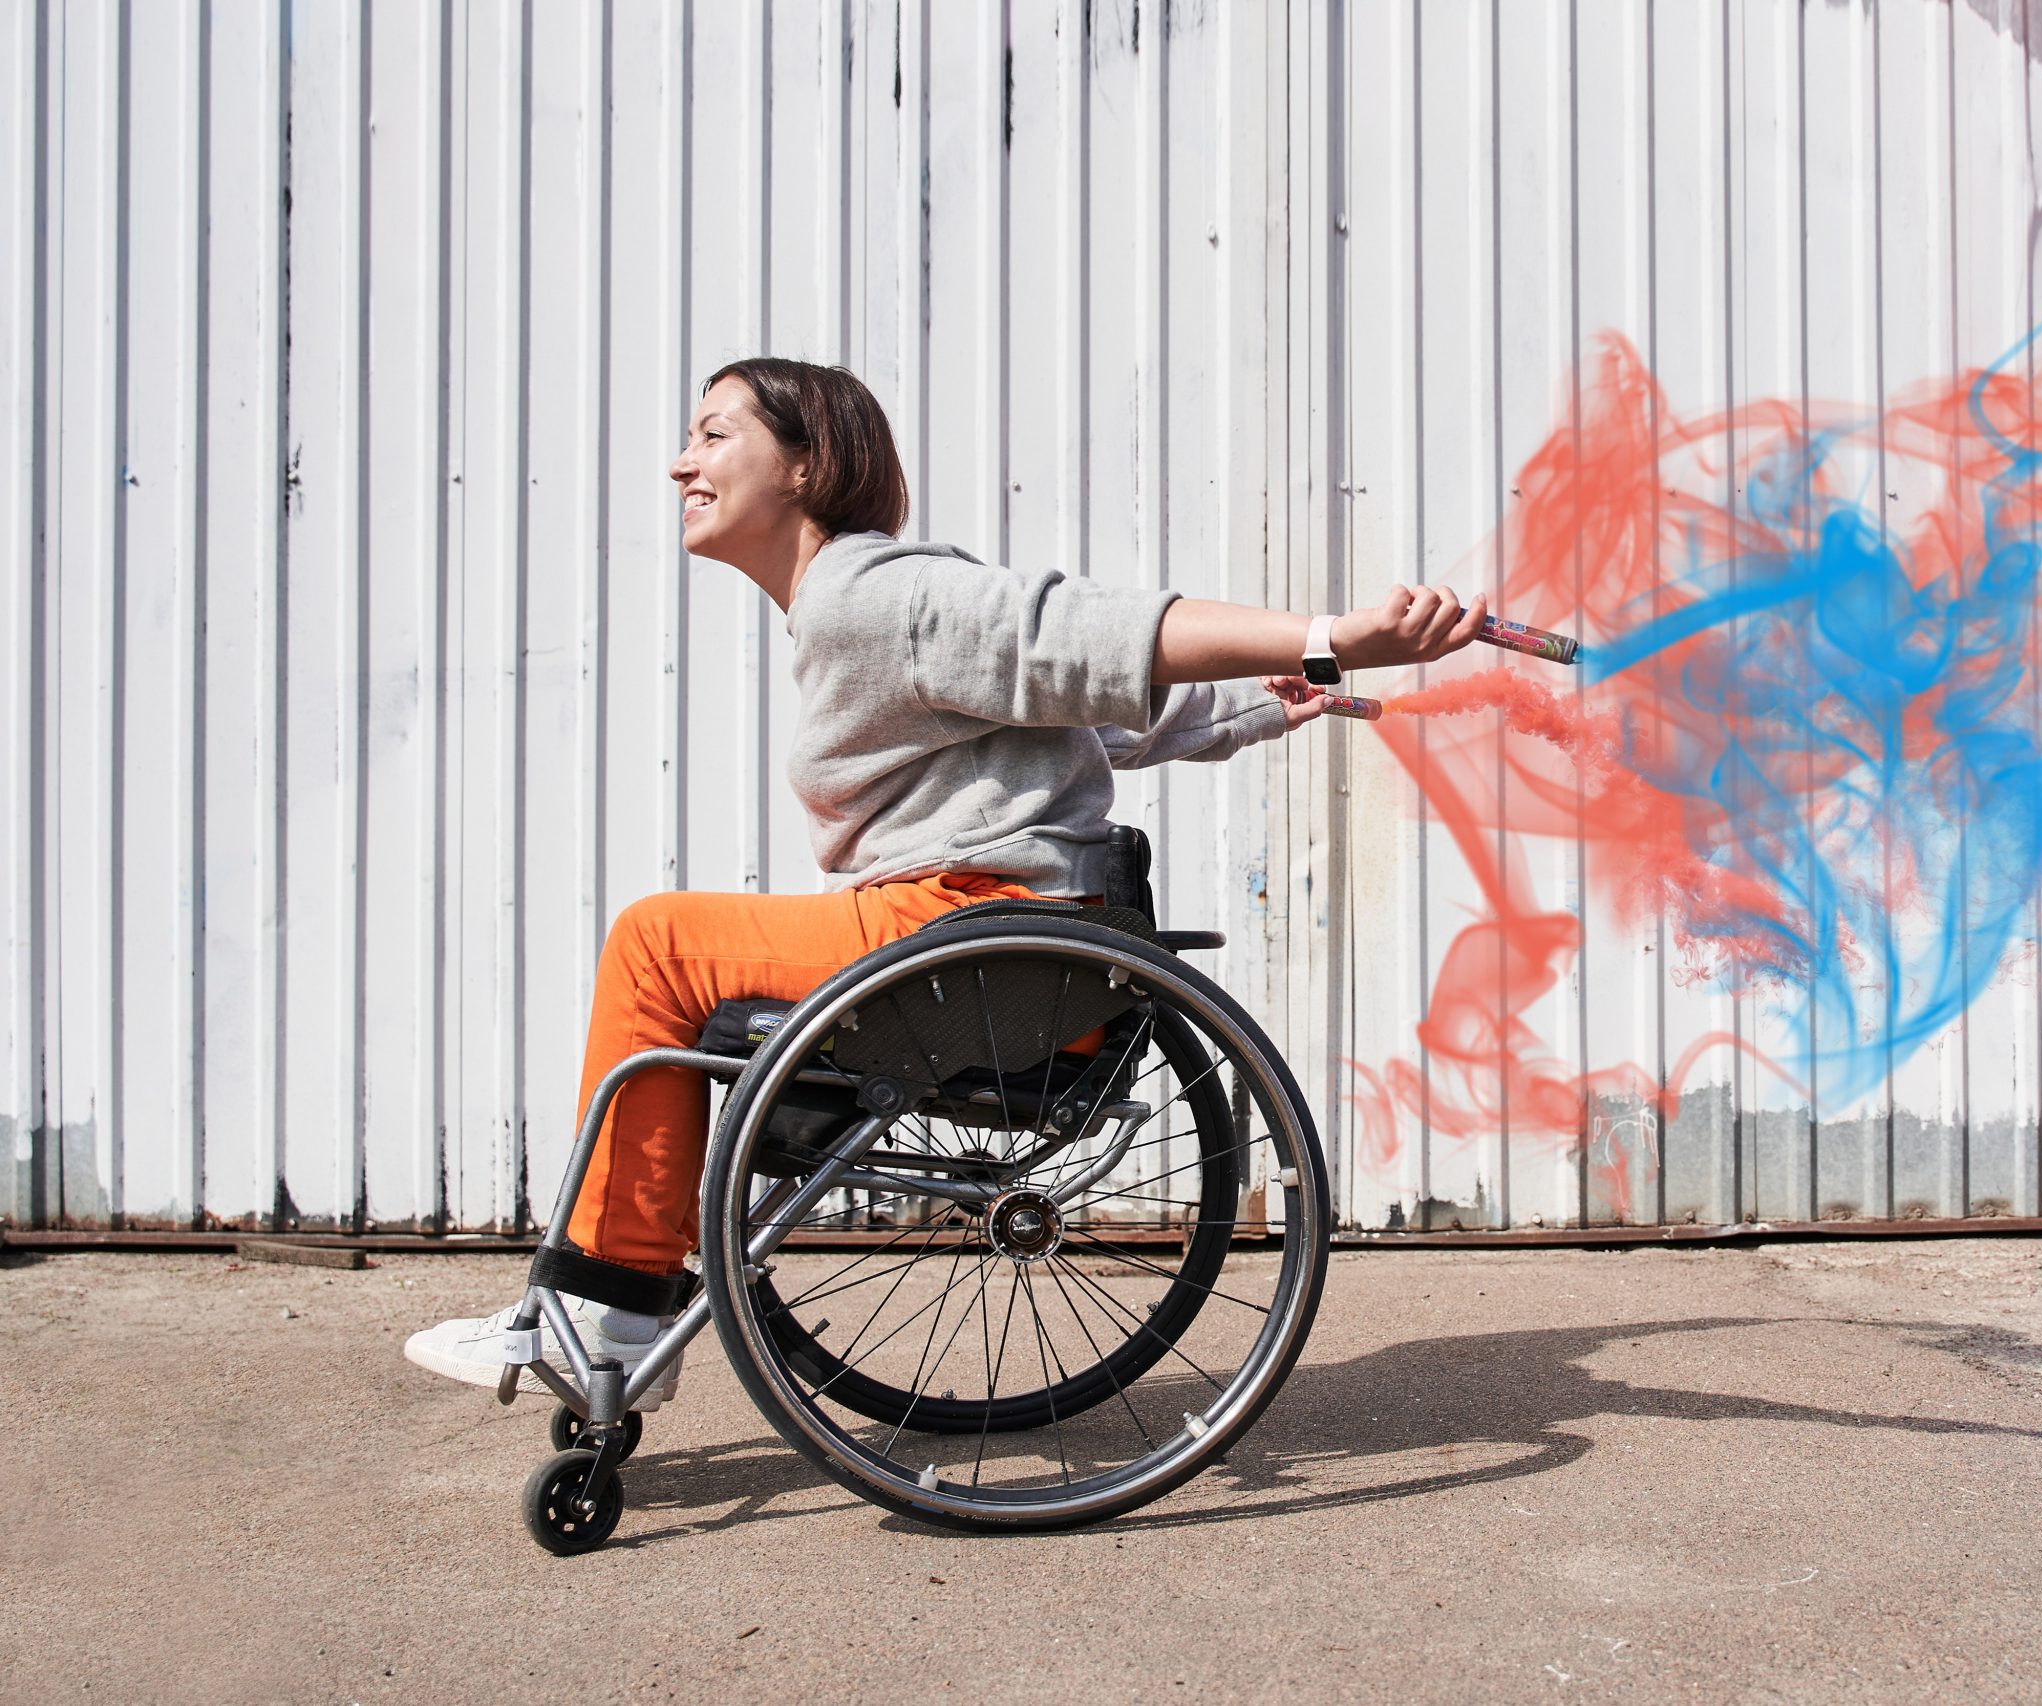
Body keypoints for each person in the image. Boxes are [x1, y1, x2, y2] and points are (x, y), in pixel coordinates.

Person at [404, 357, 1481, 1404]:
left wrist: (1328, 639)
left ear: (804, 462)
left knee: (656, 943)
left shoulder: (872, 592)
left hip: (970, 926)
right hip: (975, 929)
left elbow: (1076, 633)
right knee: (671, 951)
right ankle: (616, 1299)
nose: (682, 464)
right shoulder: (853, 603)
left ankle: (607, 1305)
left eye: (714, 433)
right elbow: (1074, 699)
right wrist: (1269, 694)